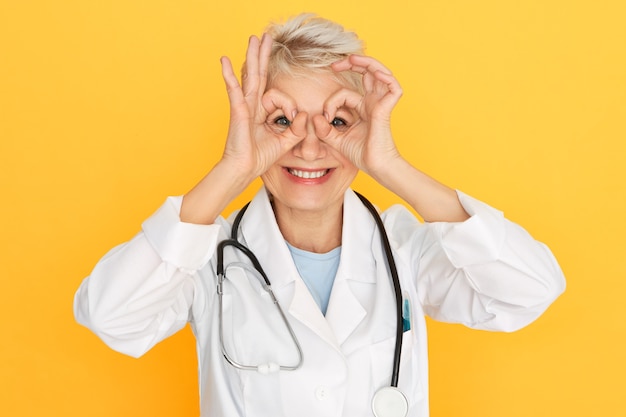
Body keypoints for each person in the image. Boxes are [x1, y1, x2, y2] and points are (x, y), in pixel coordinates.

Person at [74, 13, 565, 417]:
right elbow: (110, 316)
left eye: (338, 120)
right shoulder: (209, 258)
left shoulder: (406, 249)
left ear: (367, 129)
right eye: (281, 121)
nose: (309, 146)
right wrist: (232, 169)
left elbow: (530, 291)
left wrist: (390, 166)